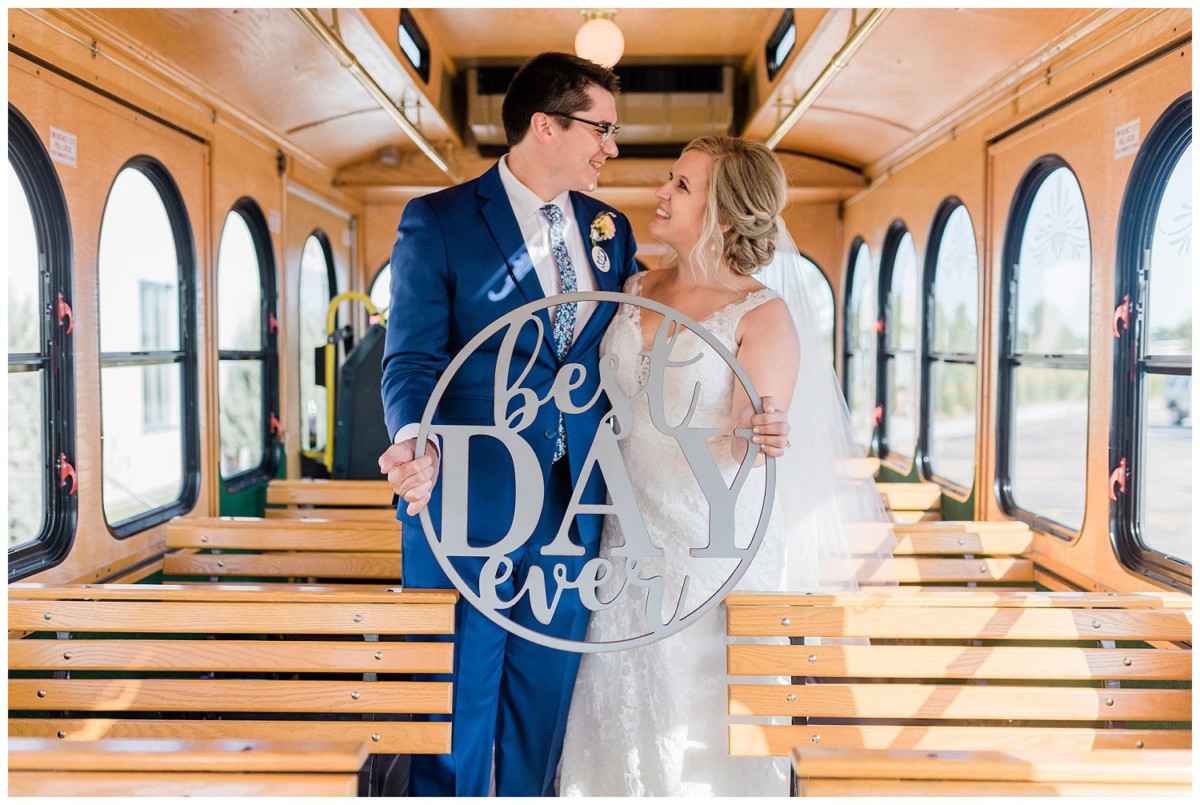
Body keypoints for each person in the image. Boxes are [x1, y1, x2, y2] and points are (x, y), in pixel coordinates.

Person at [377, 56, 790, 797]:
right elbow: (410, 361)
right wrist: (417, 440)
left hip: (584, 520)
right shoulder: (436, 222)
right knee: (453, 721)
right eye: (602, 129)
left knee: (547, 717)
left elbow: (644, 341)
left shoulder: (609, 232)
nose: (613, 148)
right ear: (546, 126)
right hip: (466, 507)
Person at [556, 136, 895, 797]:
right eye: (669, 179)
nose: (661, 192)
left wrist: (761, 428)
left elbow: (750, 422)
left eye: (681, 186)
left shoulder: (762, 314)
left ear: (729, 214)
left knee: (701, 744)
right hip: (623, 550)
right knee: (614, 725)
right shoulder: (632, 289)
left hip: (710, 557)